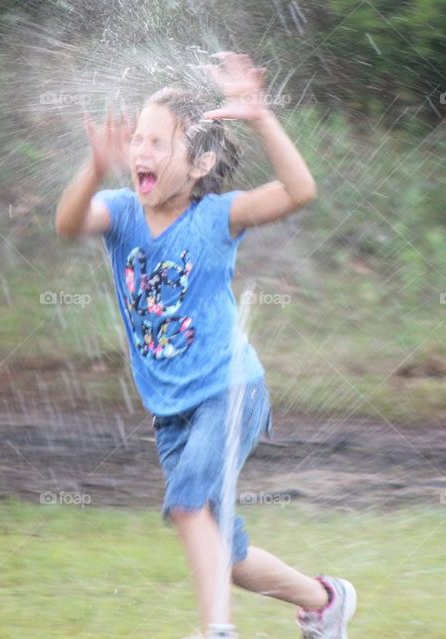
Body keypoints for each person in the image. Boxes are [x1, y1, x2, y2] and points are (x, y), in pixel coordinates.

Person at [54, 51, 356, 639]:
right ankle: (325, 601)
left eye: (159, 142)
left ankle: (217, 632)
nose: (141, 151)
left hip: (229, 391)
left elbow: (299, 189)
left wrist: (261, 118)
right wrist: (93, 169)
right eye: (136, 140)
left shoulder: (219, 217)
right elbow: (66, 224)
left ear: (201, 162)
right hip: (170, 412)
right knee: (226, 552)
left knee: (190, 507)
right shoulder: (119, 213)